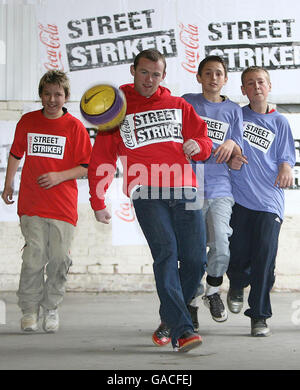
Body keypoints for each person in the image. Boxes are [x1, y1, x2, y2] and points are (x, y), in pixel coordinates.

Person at [88, 49, 212, 352]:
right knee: (167, 253)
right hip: (146, 191)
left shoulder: (178, 105)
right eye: (144, 72)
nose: (149, 79)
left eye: (156, 74)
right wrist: (97, 199)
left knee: (196, 260)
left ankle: (170, 317)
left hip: (185, 189)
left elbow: (204, 140)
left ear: (163, 76)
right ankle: (182, 330)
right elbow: (102, 158)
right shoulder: (116, 110)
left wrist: (199, 145)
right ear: (133, 70)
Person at [1, 70, 92, 333]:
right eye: (47, 93)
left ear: (66, 97)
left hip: (62, 205)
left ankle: (51, 307)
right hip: (31, 202)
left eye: (58, 94)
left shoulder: (74, 127)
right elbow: (16, 154)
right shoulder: (28, 121)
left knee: (60, 258)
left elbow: (87, 166)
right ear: (41, 95)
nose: (52, 99)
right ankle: (29, 310)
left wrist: (59, 176)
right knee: (33, 257)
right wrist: (8, 184)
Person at [227, 66, 295, 337]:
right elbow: (224, 147)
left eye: (261, 82)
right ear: (243, 90)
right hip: (239, 199)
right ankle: (238, 283)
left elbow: (286, 157)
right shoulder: (236, 116)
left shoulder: (280, 122)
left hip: (269, 203)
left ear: (269, 86)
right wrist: (230, 157)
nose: (256, 87)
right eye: (250, 83)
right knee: (237, 255)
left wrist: (287, 167)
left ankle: (259, 316)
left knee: (264, 257)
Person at [181, 55, 245, 328]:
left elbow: (239, 150)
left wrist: (232, 142)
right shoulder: (187, 102)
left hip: (220, 187)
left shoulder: (233, 110)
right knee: (193, 250)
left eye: (219, 73)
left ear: (225, 79)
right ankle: (192, 301)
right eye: (208, 73)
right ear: (199, 77)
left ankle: (212, 290)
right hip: (188, 186)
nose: (214, 78)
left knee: (221, 243)